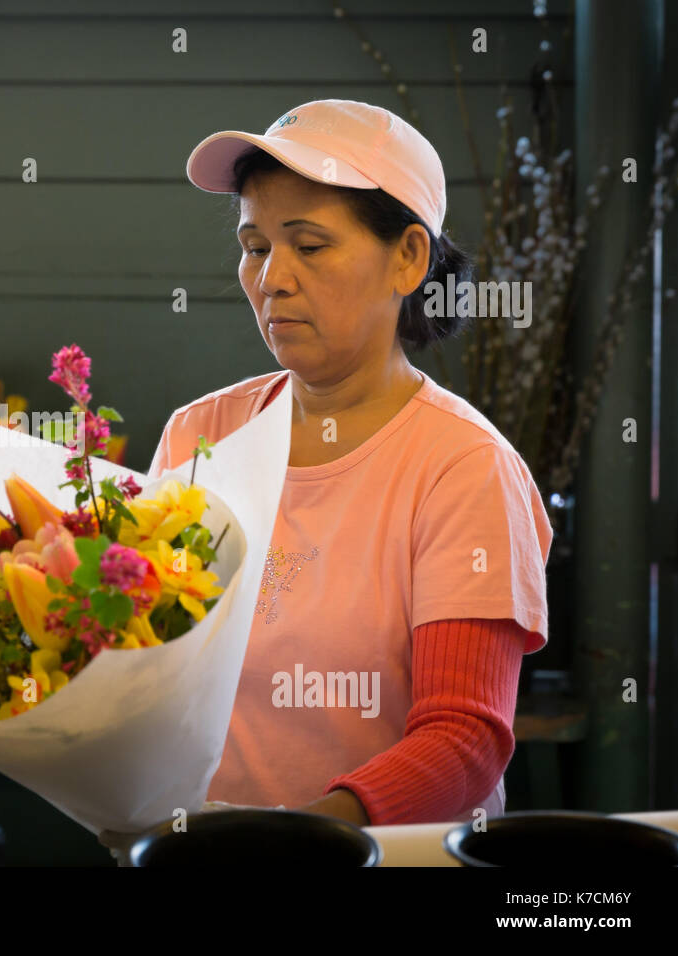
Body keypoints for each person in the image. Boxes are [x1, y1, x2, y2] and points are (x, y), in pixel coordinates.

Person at [111, 99, 552, 855]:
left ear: (409, 259)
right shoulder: (201, 435)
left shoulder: (464, 469)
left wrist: (300, 840)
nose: (272, 279)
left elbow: (464, 739)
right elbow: (137, 662)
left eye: (309, 246)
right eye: (255, 247)